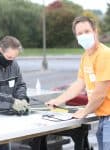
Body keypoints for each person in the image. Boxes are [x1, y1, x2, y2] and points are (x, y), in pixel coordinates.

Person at [46, 16, 110, 150]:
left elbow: (100, 92)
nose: (84, 35)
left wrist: (85, 111)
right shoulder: (86, 57)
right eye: (79, 33)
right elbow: (79, 84)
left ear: (95, 31)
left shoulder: (104, 54)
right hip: (104, 119)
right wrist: (58, 100)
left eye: (87, 31)